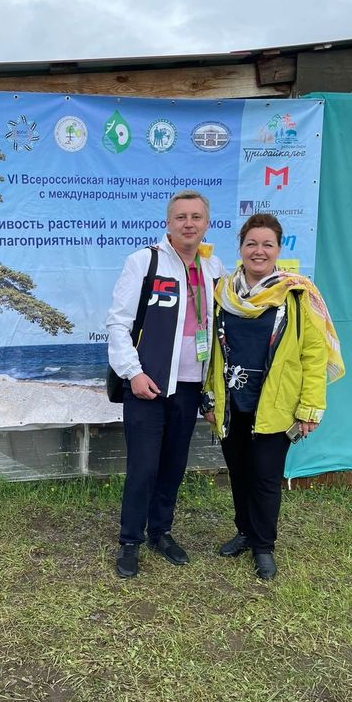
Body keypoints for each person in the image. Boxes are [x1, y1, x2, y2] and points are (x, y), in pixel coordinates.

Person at [202, 213, 344, 580]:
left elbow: (313, 354)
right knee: (238, 473)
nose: (259, 251)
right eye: (251, 243)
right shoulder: (222, 293)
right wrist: (209, 398)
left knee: (266, 478)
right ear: (241, 247)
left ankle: (263, 546)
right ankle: (244, 533)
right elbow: (212, 351)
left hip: (276, 406)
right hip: (232, 404)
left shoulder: (297, 293)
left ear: (279, 249)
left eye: (267, 244)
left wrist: (310, 407)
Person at [107, 190, 225, 578]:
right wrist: (134, 373)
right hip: (148, 385)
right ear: (168, 222)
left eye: (196, 217)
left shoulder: (214, 267)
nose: (188, 224)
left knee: (173, 466)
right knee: (143, 468)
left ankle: (161, 532)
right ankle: (130, 541)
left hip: (190, 386)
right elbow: (118, 324)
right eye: (181, 217)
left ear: (207, 223)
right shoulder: (145, 261)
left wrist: (211, 387)